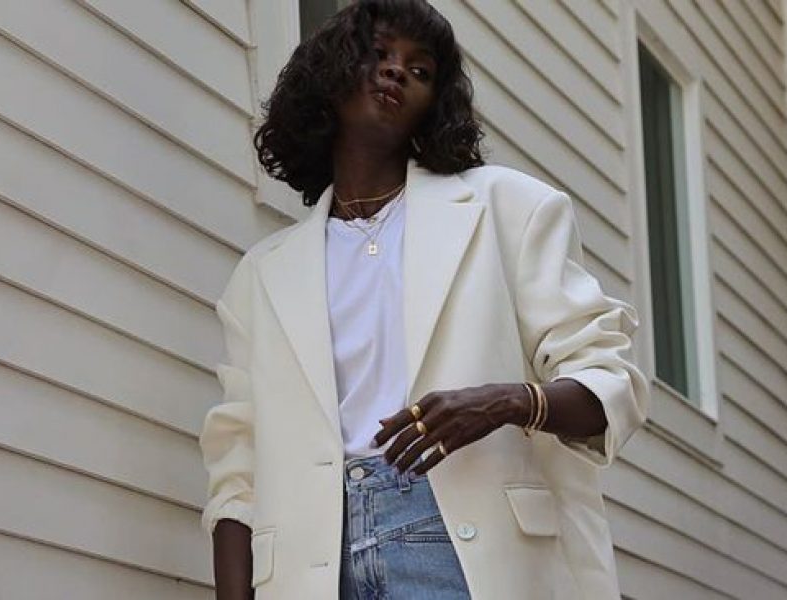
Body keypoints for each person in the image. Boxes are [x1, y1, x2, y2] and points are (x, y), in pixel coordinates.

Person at [199, 1, 649, 598]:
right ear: (330, 75)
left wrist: (506, 402)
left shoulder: (507, 209)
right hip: (313, 565)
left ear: (434, 104)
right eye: (378, 54)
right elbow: (238, 471)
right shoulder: (262, 276)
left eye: (420, 70)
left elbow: (610, 381)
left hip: (457, 543)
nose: (396, 71)